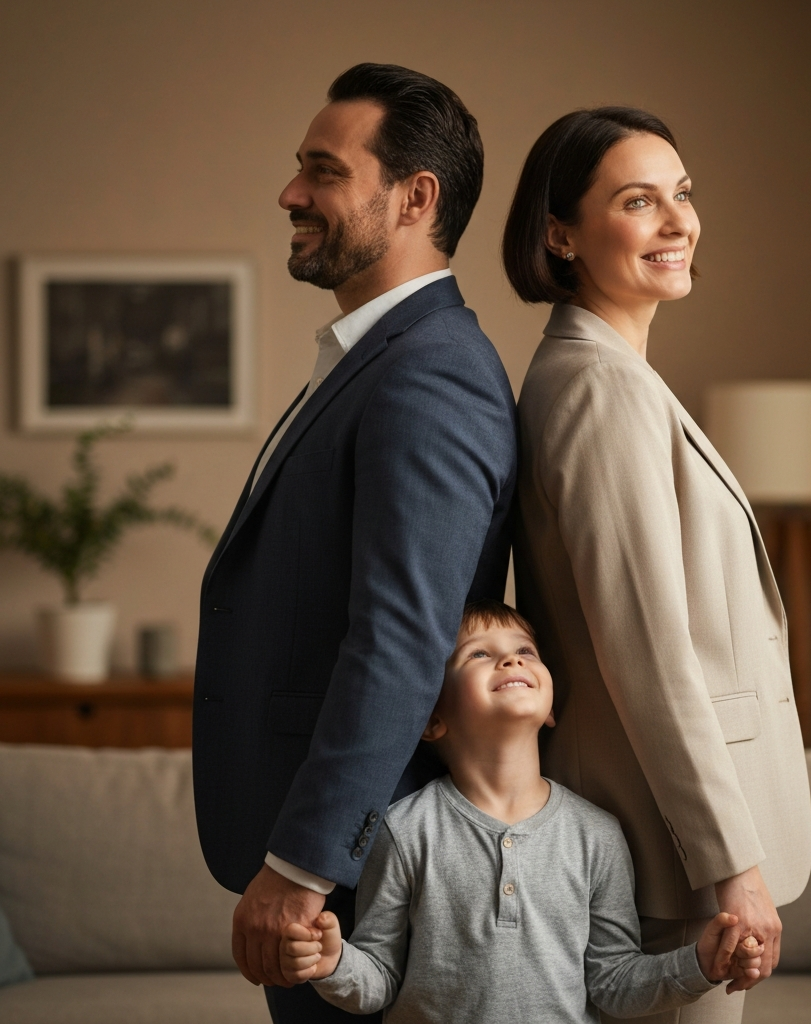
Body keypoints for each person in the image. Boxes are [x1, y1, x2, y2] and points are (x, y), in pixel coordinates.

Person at [191, 64, 518, 1024]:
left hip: (357, 881)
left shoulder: (432, 375)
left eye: (323, 171)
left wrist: (301, 868)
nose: (291, 192)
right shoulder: (378, 356)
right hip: (335, 870)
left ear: (416, 197)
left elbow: (404, 640)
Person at [504, 108, 811, 1024]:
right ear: (560, 234)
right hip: (672, 858)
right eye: (640, 201)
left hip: (671, 848)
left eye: (682, 194)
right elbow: (647, 654)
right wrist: (729, 865)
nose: (680, 222)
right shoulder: (596, 387)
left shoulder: (611, 373)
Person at [277, 601, 766, 1022]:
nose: (510, 658)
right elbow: (380, 978)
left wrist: (699, 963)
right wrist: (334, 961)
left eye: (525, 651)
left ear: (551, 707)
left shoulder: (596, 834)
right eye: (479, 654)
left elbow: (614, 981)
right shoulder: (404, 830)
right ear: (432, 719)